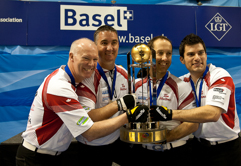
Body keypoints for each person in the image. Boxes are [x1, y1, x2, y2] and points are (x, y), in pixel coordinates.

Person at [15, 38, 148, 166]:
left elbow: (88, 117)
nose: (91, 64)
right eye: (86, 58)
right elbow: (89, 133)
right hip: (35, 157)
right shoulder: (59, 87)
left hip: (52, 155)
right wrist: (127, 116)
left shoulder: (70, 81)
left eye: (95, 59)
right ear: (71, 56)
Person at [150, 33, 241, 166]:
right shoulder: (182, 82)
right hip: (198, 148)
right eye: (191, 54)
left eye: (200, 53)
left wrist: (169, 113)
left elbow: (213, 113)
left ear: (206, 55)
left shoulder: (219, 75)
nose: (197, 58)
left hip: (226, 149)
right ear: (182, 59)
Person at [134, 36, 199, 166]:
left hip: (175, 154)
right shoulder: (136, 85)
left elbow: (192, 124)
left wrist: (161, 138)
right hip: (144, 154)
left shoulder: (181, 86)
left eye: (168, 53)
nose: (165, 58)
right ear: (148, 55)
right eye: (160, 53)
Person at [75, 25, 134, 165]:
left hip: (117, 140)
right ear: (95, 46)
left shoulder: (123, 72)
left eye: (114, 43)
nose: (110, 48)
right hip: (92, 146)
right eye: (104, 43)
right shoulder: (88, 75)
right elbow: (87, 117)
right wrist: (118, 105)